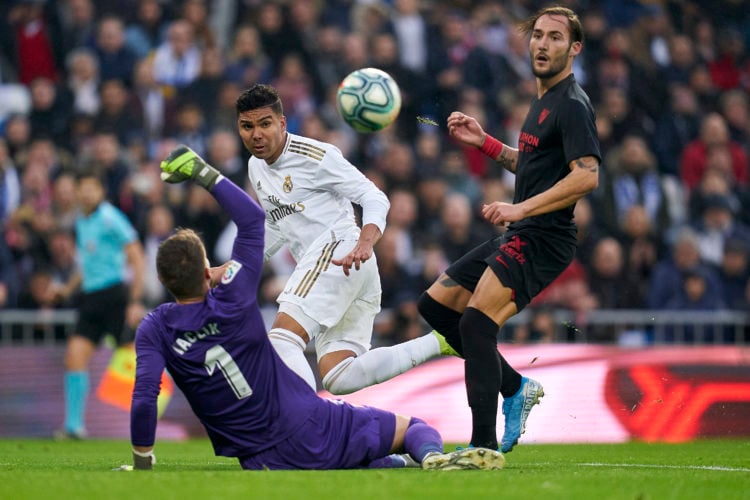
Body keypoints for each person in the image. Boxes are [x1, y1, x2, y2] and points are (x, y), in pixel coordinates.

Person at [129, 145, 504, 471]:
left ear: (163, 282)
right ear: (209, 272)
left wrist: (143, 462)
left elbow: (145, 396)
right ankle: (429, 439)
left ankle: (398, 451)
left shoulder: (154, 327)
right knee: (391, 413)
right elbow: (252, 221)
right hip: (307, 421)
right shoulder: (233, 295)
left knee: (294, 348)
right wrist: (202, 172)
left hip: (261, 455)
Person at [416, 6, 601, 453]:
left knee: (477, 323)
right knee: (437, 308)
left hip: (545, 238)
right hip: (525, 231)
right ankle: (515, 386)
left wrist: (520, 210)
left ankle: (482, 449)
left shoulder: (573, 105)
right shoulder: (543, 101)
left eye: (556, 38)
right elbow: (534, 164)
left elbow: (587, 175)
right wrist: (487, 143)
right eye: (538, 35)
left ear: (574, 48)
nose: (542, 44)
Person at [232, 83, 454, 395]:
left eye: (265, 124)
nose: (256, 134)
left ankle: (308, 421)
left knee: (282, 339)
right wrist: (235, 267)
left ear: (282, 123)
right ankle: (440, 341)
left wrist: (365, 242)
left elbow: (375, 197)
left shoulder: (315, 156)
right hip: (345, 269)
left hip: (339, 251)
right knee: (339, 376)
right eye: (247, 126)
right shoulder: (256, 166)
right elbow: (277, 227)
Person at [56, 170, 146, 439]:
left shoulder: (110, 218)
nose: (86, 193)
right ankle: (73, 426)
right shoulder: (81, 221)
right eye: (81, 187)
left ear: (101, 191)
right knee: (74, 356)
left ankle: (148, 421)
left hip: (115, 296)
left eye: (91, 187)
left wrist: (135, 300)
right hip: (91, 298)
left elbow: (138, 258)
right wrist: (67, 289)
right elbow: (87, 264)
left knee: (137, 362)